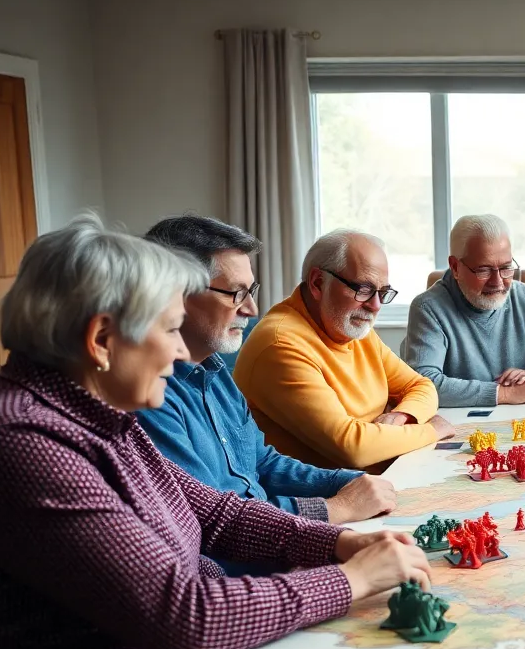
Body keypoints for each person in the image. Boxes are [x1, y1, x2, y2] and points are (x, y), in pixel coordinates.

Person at [0, 216, 435, 649]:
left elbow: (216, 514)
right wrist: (352, 580)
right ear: (101, 340)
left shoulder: (94, 413)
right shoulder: (25, 438)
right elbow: (186, 620)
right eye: (169, 329)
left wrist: (338, 544)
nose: (180, 351)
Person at [137, 215, 396, 531]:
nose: (251, 309)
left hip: (279, 542)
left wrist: (353, 481)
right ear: (177, 295)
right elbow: (216, 523)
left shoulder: (216, 373)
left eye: (251, 290)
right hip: (247, 565)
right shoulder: (148, 397)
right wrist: (336, 507)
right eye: (235, 293)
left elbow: (263, 463)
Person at [234, 230, 453, 471]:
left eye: (382, 293)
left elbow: (421, 386)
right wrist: (431, 430)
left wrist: (402, 417)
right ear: (318, 282)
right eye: (363, 289)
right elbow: (353, 448)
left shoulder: (350, 327)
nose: (375, 305)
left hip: (383, 475)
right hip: (324, 496)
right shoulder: (280, 344)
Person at [402, 214, 525, 407]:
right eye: (484, 270)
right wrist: (503, 394)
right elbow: (424, 384)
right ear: (455, 266)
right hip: (460, 425)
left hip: (519, 420)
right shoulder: (428, 308)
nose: (498, 282)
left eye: (506, 268)